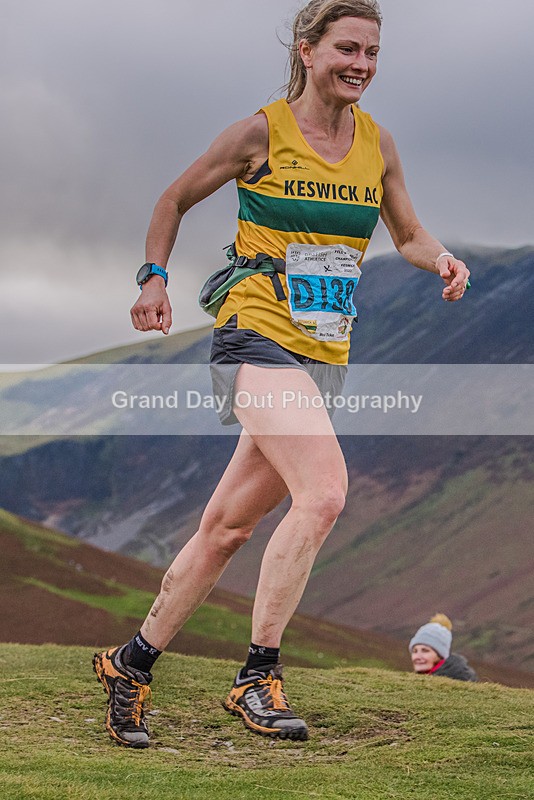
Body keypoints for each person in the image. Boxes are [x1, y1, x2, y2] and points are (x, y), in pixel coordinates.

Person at [93, 0, 471, 748]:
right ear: (307, 49)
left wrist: (442, 259)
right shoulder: (259, 133)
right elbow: (174, 197)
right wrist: (152, 278)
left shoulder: (379, 143)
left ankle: (128, 665)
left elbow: (407, 232)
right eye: (347, 48)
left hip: (323, 352)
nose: (361, 64)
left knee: (227, 527)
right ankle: (255, 677)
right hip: (254, 332)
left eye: (371, 52)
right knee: (325, 492)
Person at [409, 614, 478, 682]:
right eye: (415, 651)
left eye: (425, 651)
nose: (417, 657)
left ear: (440, 655)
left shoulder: (459, 680)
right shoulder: (421, 680)